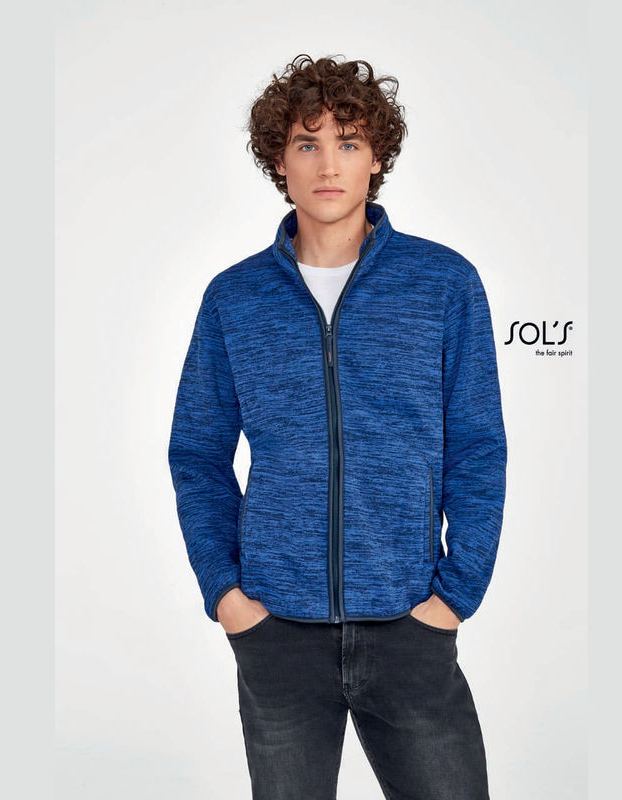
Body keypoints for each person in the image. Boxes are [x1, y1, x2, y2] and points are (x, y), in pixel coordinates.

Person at [168, 53, 507, 800]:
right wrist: (228, 596)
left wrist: (454, 596)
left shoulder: (443, 284)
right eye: (307, 143)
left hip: (410, 623)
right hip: (276, 633)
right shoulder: (234, 299)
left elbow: (479, 449)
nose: (329, 164)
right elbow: (197, 454)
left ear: (376, 159)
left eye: (348, 142)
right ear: (279, 162)